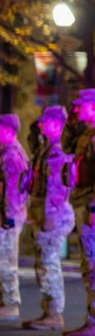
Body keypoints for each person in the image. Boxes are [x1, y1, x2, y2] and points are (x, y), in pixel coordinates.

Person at [62, 88, 95, 336]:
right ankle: (93, 319)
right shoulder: (86, 134)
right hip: (83, 201)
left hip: (93, 205)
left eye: (80, 106)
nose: (76, 110)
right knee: (88, 264)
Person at [24, 105, 76, 330]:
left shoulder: (56, 152)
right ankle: (49, 311)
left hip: (53, 215)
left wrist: (49, 218)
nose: (42, 126)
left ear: (57, 124)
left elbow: (55, 190)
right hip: (45, 214)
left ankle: (54, 313)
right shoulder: (47, 149)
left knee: (49, 263)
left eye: (46, 122)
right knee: (44, 263)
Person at [0, 113, 30, 324]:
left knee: (7, 259)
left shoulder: (11, 155)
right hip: (8, 214)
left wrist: (8, 217)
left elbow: (13, 191)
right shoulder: (7, 153)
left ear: (9, 130)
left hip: (9, 215)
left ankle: (10, 304)